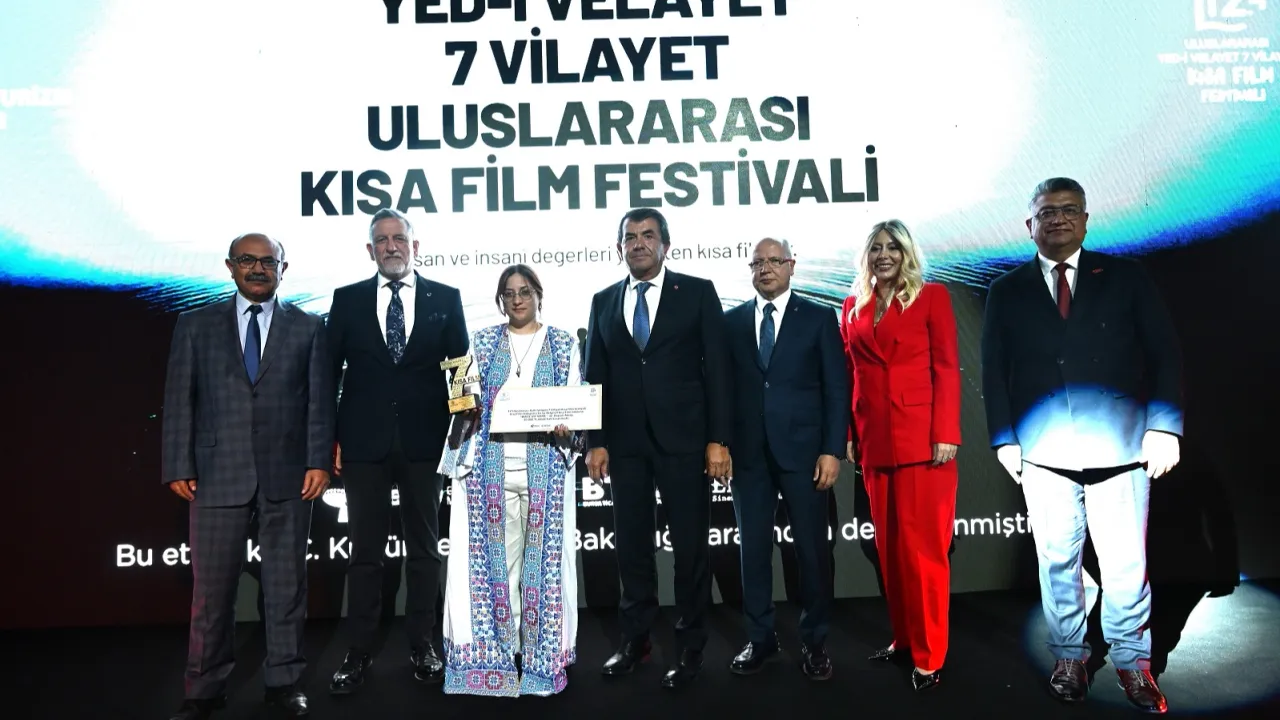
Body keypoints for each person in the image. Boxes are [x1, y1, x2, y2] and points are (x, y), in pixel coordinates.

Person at [981, 178, 1182, 714]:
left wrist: (1165, 426)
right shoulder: (1007, 289)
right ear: (1030, 225)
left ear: (1086, 221)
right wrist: (1003, 438)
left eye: (1069, 210)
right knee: (1057, 562)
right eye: (1047, 212)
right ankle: (1069, 657)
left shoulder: (1127, 277)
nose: (1058, 219)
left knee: (1125, 563)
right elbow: (993, 372)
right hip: (1043, 451)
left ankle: (1133, 661)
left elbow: (1165, 353)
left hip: (1122, 446)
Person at [161, 233, 334, 720]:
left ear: (283, 268)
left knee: (286, 587)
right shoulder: (195, 325)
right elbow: (179, 399)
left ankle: (284, 682)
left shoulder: (309, 327)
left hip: (289, 475)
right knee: (212, 591)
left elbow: (319, 402)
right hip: (216, 474)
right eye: (247, 260)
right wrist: (177, 464)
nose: (258, 269)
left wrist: (318, 461)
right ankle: (203, 689)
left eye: (267, 262)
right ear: (230, 266)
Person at [584, 207, 733, 690]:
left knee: (689, 549)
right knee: (631, 548)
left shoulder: (697, 292)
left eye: (648, 235)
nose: (639, 243)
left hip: (685, 442)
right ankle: (636, 640)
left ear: (665, 245)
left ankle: (690, 646)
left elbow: (719, 373)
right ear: (619, 248)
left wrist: (718, 439)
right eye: (630, 237)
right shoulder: (603, 301)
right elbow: (595, 376)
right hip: (624, 446)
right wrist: (596, 441)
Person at [326, 208, 469, 693]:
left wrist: (460, 437)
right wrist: (329, 440)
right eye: (382, 240)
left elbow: (460, 372)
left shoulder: (445, 298)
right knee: (365, 552)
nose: (391, 247)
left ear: (415, 246)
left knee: (425, 550)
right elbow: (328, 376)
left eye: (399, 239)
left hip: (425, 443)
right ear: (370, 250)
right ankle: (358, 650)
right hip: (362, 444)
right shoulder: (346, 300)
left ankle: (423, 643)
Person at [437, 265, 583, 697]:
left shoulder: (564, 344)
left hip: (546, 473)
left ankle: (542, 662)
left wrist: (568, 428)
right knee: (497, 571)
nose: (517, 299)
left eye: (525, 291)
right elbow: (462, 402)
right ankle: (499, 660)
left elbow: (575, 402)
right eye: (509, 293)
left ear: (539, 294)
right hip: (490, 475)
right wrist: (466, 407)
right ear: (501, 300)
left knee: (545, 573)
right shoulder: (481, 342)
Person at [839, 220, 961, 692]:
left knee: (924, 555)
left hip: (923, 443)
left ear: (907, 253)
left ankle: (930, 656)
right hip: (875, 443)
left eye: (893, 247)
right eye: (876, 248)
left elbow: (946, 368)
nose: (884, 255)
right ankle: (906, 639)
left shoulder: (932, 298)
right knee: (889, 553)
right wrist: (851, 432)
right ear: (866, 256)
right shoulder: (853, 305)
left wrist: (945, 432)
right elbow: (852, 373)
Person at [725, 238, 848, 680]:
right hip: (749, 458)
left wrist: (832, 449)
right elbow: (723, 390)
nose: (765, 268)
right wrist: (721, 443)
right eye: (757, 262)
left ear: (791, 265)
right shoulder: (731, 322)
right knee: (753, 553)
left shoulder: (818, 317)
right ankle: (760, 639)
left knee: (812, 552)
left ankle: (815, 641)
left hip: (805, 455)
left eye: (774, 261)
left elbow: (836, 388)